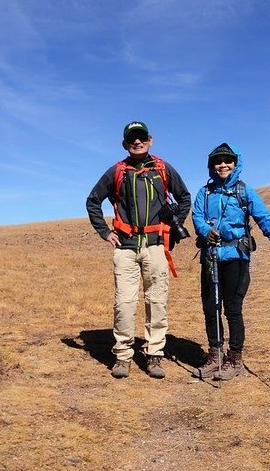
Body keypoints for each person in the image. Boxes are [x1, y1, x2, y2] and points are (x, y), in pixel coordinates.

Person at [86, 121, 191, 379]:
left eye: (141, 137)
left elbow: (185, 197)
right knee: (124, 303)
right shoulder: (117, 171)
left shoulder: (163, 169)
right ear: (125, 144)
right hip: (125, 247)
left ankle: (154, 354)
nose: (137, 142)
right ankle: (122, 356)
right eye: (132, 138)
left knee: (156, 301)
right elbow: (93, 201)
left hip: (156, 246)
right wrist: (105, 232)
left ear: (150, 140)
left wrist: (172, 224)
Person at [192, 142, 270, 380]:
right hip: (211, 258)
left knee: (232, 309)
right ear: (211, 166)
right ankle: (215, 355)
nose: (223, 165)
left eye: (227, 160)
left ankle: (235, 359)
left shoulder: (245, 191)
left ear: (235, 163)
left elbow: (264, 218)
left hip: (236, 258)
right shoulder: (204, 192)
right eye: (218, 161)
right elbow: (197, 216)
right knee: (210, 308)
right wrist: (204, 231)